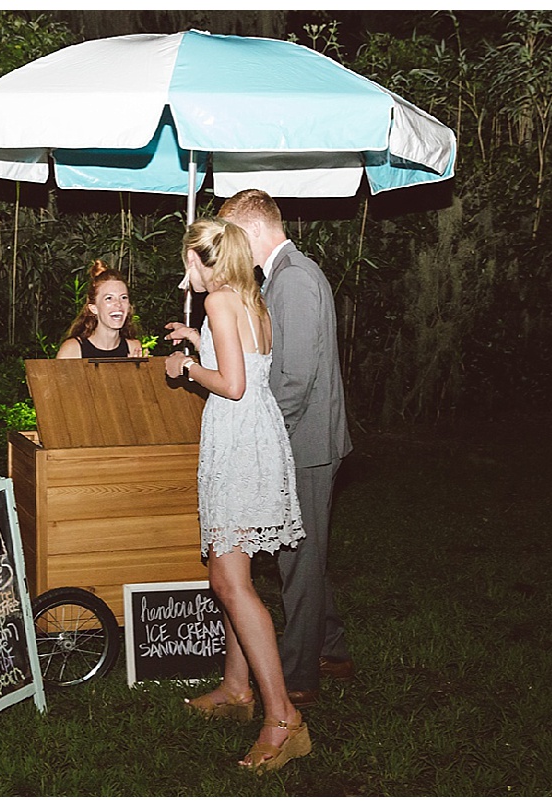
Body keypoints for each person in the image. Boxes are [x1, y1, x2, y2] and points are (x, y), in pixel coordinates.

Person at [164, 218, 311, 773]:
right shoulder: (250, 301)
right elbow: (247, 361)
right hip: (256, 439)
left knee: (231, 580)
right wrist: (201, 341)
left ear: (208, 261)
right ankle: (235, 688)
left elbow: (232, 384)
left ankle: (283, 717)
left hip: (238, 444)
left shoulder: (219, 302)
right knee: (231, 575)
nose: (186, 277)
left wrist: (187, 367)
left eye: (189, 263)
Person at [217, 189, 354, 709]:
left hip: (305, 442)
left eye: (231, 235)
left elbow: (295, 379)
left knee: (296, 561)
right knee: (305, 554)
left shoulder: (294, 279)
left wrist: (263, 442)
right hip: (303, 438)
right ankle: (333, 650)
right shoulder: (286, 274)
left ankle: (299, 679)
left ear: (251, 231)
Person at [55, 260, 144, 359]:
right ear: (93, 308)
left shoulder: (133, 348)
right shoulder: (72, 350)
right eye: (109, 298)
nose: (118, 304)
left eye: (123, 297)